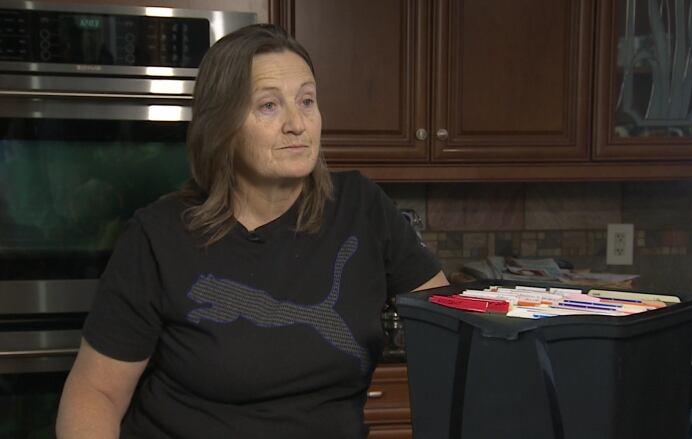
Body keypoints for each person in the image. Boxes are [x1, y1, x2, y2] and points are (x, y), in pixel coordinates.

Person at [55, 23, 448, 439]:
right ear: (221, 125)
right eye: (268, 106)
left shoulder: (362, 207)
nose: (297, 124)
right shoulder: (158, 236)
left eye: (307, 101)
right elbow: (95, 394)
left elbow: (449, 331)